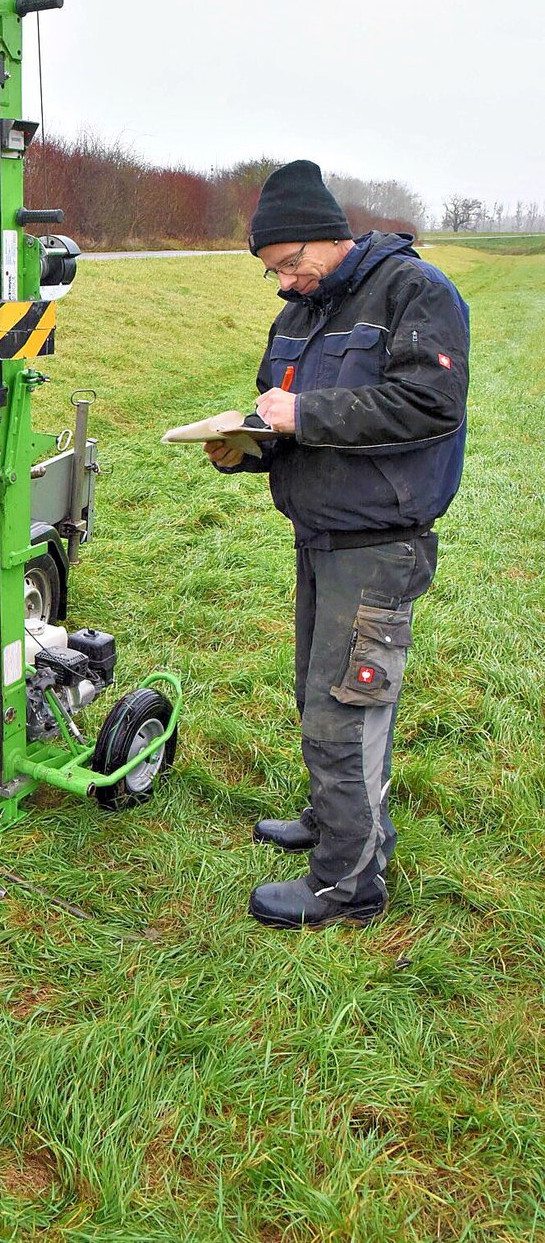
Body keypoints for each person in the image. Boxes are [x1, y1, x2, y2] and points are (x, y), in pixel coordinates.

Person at [205, 160, 469, 928]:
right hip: (319, 534)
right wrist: (249, 446)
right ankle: (339, 824)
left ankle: (346, 887)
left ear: (327, 237)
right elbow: (278, 412)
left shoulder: (414, 293)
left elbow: (429, 405)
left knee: (347, 710)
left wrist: (301, 417)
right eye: (272, 274)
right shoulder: (301, 312)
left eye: (290, 264)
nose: (284, 282)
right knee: (318, 694)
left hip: (380, 542)